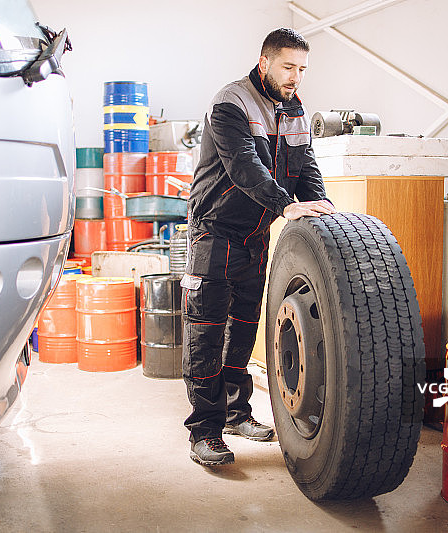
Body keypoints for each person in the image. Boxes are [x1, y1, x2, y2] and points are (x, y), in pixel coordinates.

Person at [181, 27, 336, 466]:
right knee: (205, 334)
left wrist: (320, 202)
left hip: (255, 237)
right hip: (215, 232)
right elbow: (244, 169)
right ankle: (204, 432)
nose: (296, 77)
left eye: (302, 69)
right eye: (288, 66)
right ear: (265, 61)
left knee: (243, 330)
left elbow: (305, 165)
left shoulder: (295, 110)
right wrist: (288, 206)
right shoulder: (230, 103)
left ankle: (236, 413)